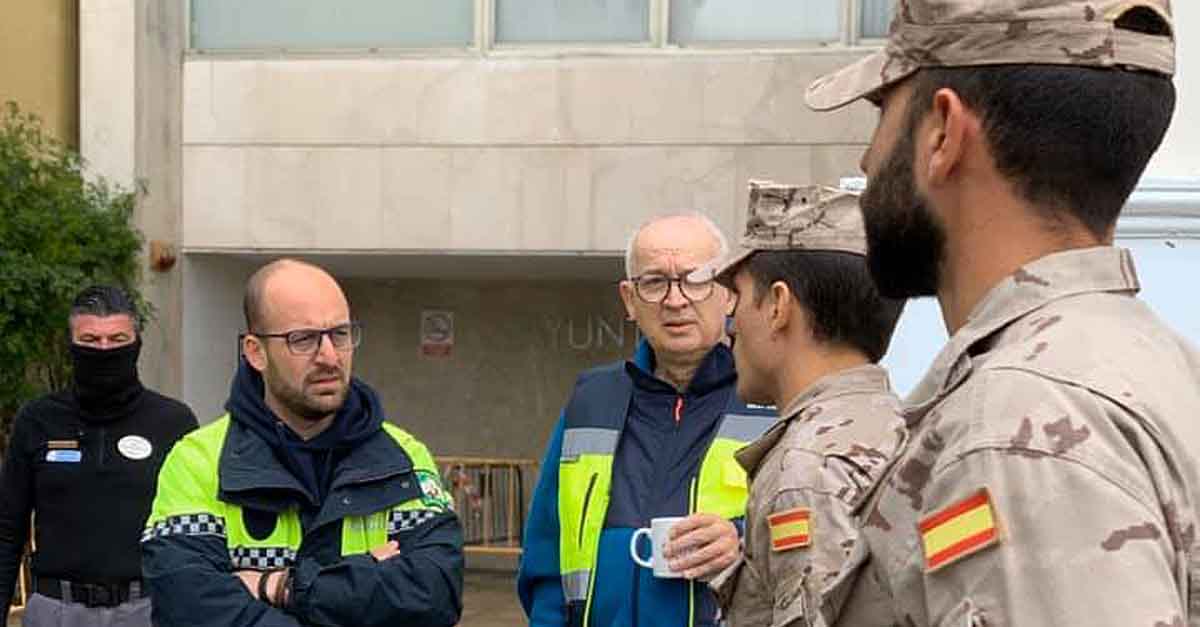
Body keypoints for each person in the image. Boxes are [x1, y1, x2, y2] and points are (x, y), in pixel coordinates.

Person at [805, 1, 1200, 625]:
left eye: (883, 110)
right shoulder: (1159, 361)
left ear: (942, 131)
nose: (867, 159)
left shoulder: (1021, 421)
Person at [141, 259, 463, 627]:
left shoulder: (403, 457)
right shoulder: (197, 461)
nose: (329, 356)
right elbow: (187, 607)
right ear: (255, 352)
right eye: (303, 339)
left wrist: (282, 586)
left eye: (340, 334)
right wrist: (363, 583)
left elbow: (435, 592)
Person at [518, 212, 776, 627]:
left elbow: (821, 533)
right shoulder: (591, 401)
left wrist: (744, 539)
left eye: (696, 279)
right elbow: (548, 556)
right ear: (629, 300)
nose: (676, 300)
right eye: (654, 282)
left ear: (729, 293)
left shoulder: (773, 398)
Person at [701, 181, 906, 627]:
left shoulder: (807, 466)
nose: (729, 324)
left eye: (736, 297)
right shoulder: (904, 427)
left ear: (778, 305)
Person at [0, 285, 198, 626]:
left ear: (136, 343)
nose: (104, 350)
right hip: (56, 611)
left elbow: (195, 529)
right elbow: (7, 528)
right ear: (71, 345)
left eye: (117, 339)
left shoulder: (173, 422)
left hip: (147, 610)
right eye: (90, 340)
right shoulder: (37, 420)